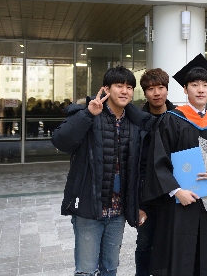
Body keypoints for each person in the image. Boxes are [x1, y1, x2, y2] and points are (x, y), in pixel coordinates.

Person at [132, 54, 207, 276]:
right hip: (179, 202)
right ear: (185, 89)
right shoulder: (171, 119)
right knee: (179, 254)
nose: (200, 90)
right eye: (194, 85)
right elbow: (158, 161)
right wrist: (176, 191)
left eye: (205, 85)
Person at [51, 66, 149, 276]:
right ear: (106, 89)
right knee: (86, 270)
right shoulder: (88, 114)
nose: (125, 91)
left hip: (118, 211)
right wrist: (88, 114)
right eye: (119, 86)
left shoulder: (134, 123)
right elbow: (60, 141)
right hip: (89, 208)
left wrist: (138, 205)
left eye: (129, 87)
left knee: (110, 268)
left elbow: (138, 169)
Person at [135, 68, 175, 276]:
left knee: (171, 244)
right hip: (146, 196)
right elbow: (133, 163)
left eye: (160, 87)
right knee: (144, 244)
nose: (156, 93)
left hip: (173, 194)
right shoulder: (137, 121)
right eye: (151, 89)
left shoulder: (179, 118)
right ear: (145, 93)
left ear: (167, 89)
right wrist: (136, 203)